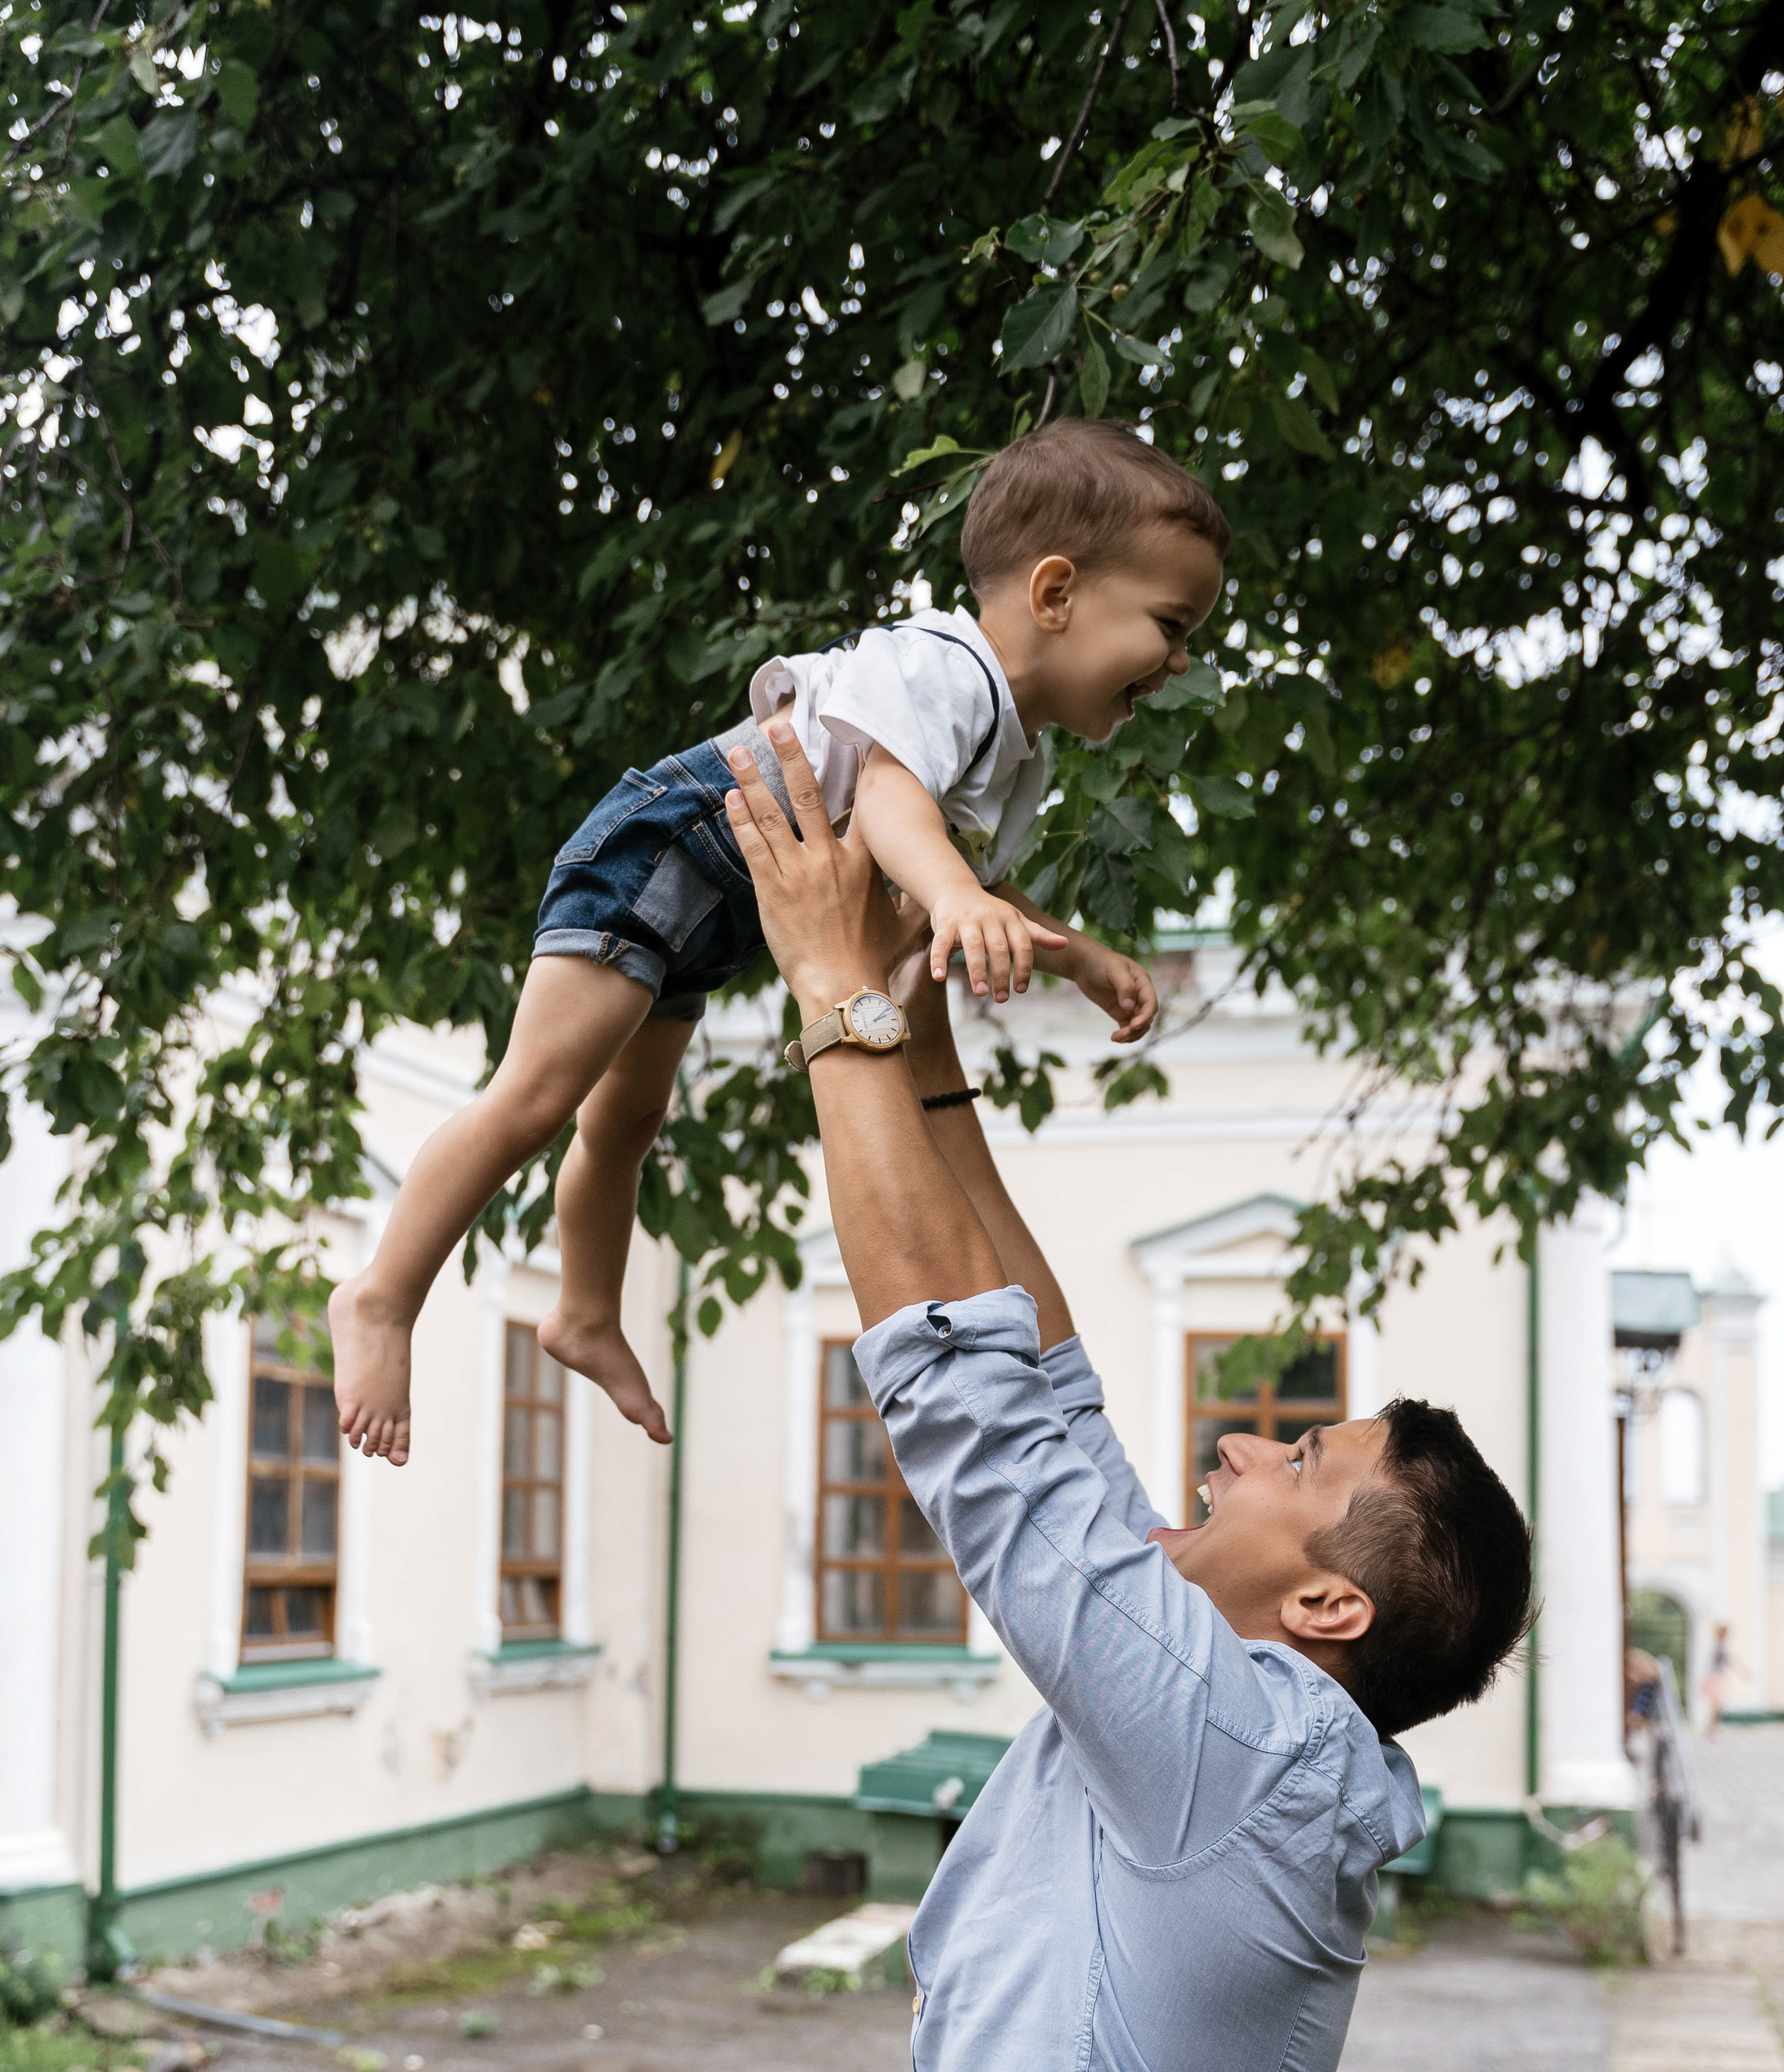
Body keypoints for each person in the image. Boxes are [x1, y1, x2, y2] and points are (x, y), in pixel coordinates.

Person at [722, 724, 1537, 2072]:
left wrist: (829, 990)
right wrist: (924, 1040)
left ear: (1326, 1605)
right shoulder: (1229, 1736)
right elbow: (1055, 1391)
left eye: (1294, 1458)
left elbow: (980, 1421)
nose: (1239, 1445)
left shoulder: (1238, 1753)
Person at [329, 419, 1228, 1467]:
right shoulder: (948, 670)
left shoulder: (1017, 751)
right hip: (672, 843)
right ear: (1057, 593)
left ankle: (584, 1311)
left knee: (627, 1120)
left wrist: (1076, 956)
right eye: (1171, 625)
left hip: (726, 899)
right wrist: (954, 895)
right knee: (536, 1096)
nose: (1181, 662)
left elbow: (962, 872)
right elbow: (890, 807)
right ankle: (382, 1296)